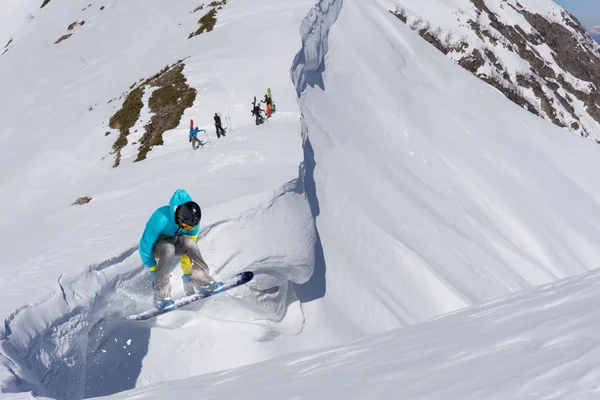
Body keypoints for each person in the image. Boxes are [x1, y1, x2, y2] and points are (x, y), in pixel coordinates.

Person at [138, 189, 222, 312]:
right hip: (159, 247)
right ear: (180, 218)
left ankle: (202, 280)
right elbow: (144, 246)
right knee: (168, 248)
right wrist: (155, 271)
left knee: (189, 242)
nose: (189, 229)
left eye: (191, 227)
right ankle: (161, 296)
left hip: (176, 242)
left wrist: (188, 273)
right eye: (186, 226)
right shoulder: (161, 217)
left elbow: (189, 249)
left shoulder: (193, 223)